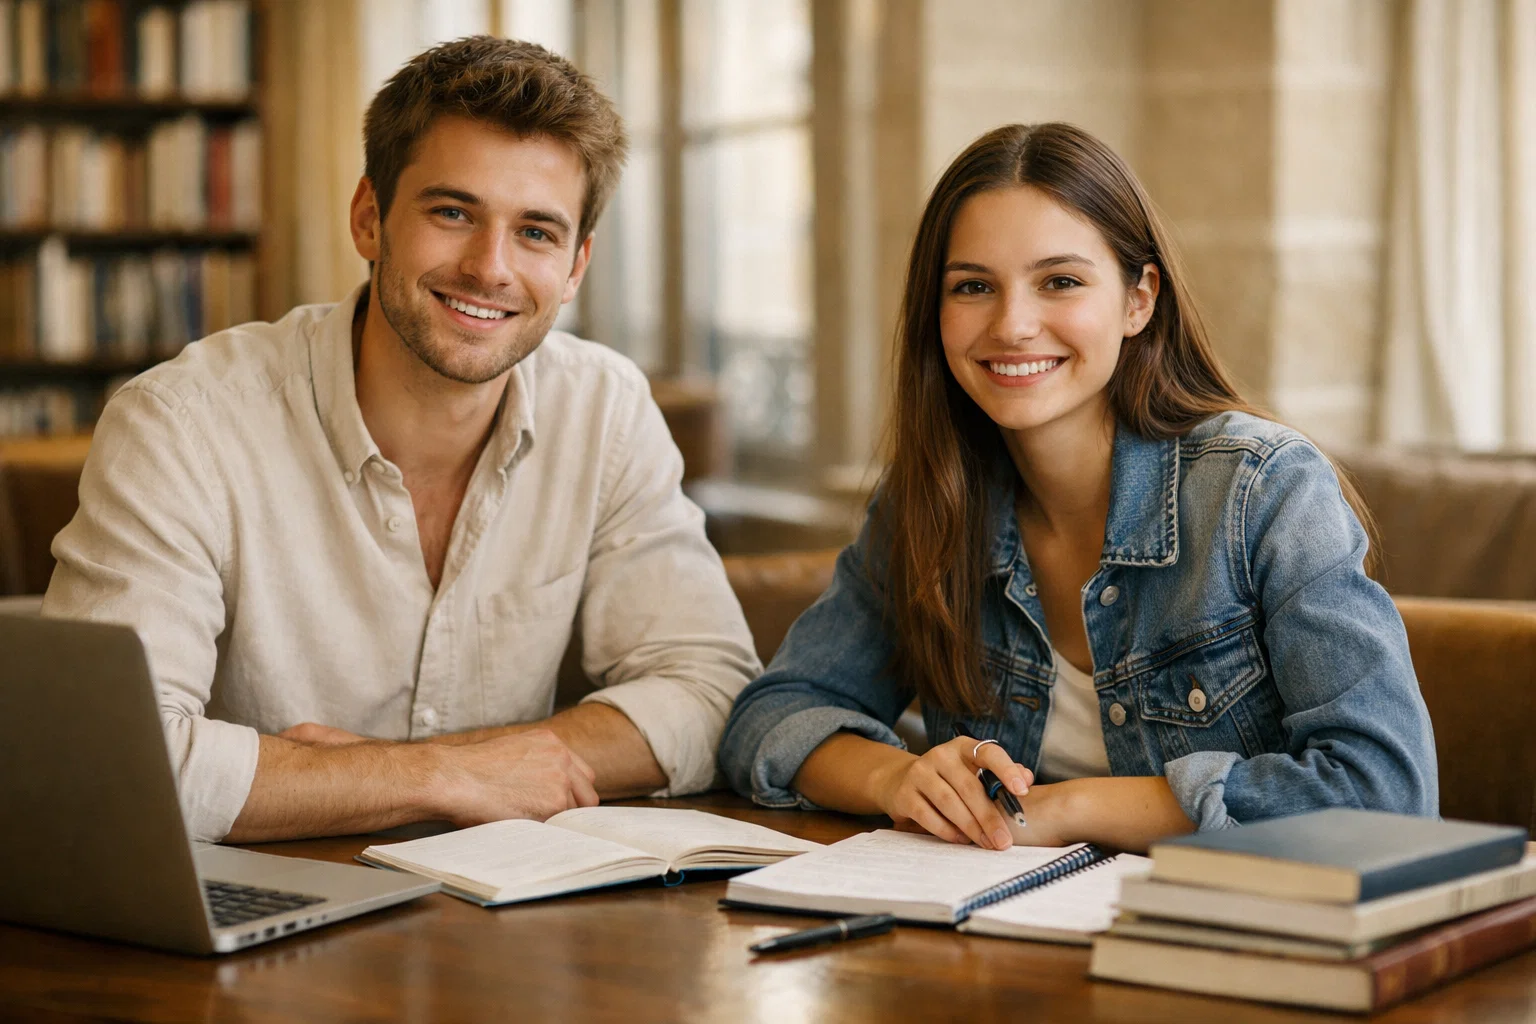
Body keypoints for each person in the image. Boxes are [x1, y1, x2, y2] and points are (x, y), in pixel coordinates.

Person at [43, 37, 760, 844]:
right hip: (257, 929)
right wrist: (446, 776)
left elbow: (710, 691)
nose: (490, 268)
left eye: (536, 232)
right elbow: (111, 764)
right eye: (452, 212)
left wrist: (414, 767)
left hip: (507, 923)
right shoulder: (182, 425)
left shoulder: (606, 408)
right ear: (369, 218)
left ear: (576, 266)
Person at [718, 122, 1437, 853]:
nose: (1014, 324)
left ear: (1138, 300)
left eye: (1059, 281)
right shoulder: (931, 501)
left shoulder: (1264, 491)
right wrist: (897, 780)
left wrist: (1067, 809)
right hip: (996, 937)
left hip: (1232, 944)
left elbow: (1386, 796)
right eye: (973, 287)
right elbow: (771, 717)